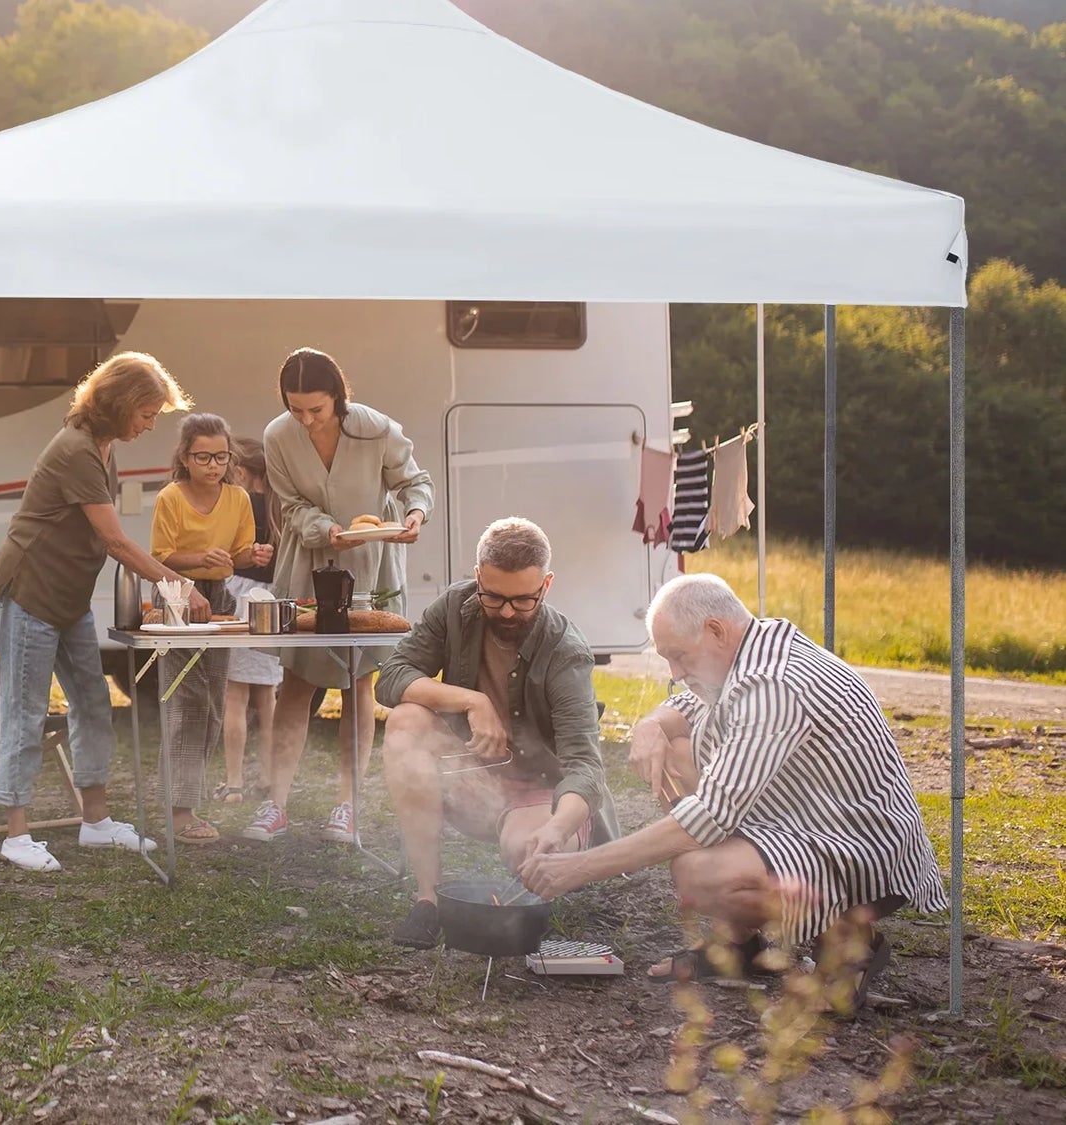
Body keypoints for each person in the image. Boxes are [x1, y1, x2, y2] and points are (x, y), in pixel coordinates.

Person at [518, 573, 947, 1011]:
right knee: (677, 750)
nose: (676, 672)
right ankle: (740, 946)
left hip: (858, 855)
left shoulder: (773, 686)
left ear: (716, 630)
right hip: (809, 821)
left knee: (699, 872)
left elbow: (707, 819)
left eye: (679, 656)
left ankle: (849, 945)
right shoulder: (748, 649)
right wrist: (650, 726)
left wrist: (579, 867)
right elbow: (687, 705)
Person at [0, 352, 208, 872]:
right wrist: (179, 583)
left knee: (93, 705)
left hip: (69, 598)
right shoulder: (76, 450)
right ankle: (15, 836)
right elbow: (113, 540)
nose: (151, 424)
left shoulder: (102, 447)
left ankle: (96, 824)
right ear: (120, 403)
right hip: (31, 592)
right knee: (26, 713)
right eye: (147, 412)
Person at [375, 517, 620, 947]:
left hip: (538, 794)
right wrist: (473, 701)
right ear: (477, 578)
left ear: (546, 585)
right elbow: (391, 677)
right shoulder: (456, 606)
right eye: (495, 597)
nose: (507, 612)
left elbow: (585, 767)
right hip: (470, 782)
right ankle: (427, 900)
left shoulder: (566, 652)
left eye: (523, 600)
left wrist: (558, 828)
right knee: (406, 720)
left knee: (527, 849)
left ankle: (548, 854)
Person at [241, 348, 433, 844]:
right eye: (295, 408)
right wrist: (327, 530)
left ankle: (347, 805)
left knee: (359, 683)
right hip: (307, 565)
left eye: (316, 410)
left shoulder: (377, 429)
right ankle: (276, 804)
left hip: (372, 565)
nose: (305, 420)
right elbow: (291, 504)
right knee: (297, 683)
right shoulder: (277, 435)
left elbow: (415, 482)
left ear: (338, 399)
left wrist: (414, 515)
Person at [149, 414, 272, 843]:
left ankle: (184, 800)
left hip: (218, 597)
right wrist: (202, 558)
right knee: (187, 701)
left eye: (221, 457)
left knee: (215, 704)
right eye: (203, 457)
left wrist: (251, 556)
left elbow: (235, 557)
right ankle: (179, 810)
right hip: (178, 597)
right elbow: (161, 557)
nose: (213, 465)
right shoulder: (171, 497)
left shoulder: (238, 497)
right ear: (185, 457)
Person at [217, 436, 282, 804]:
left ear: (240, 471)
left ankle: (235, 782)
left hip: (242, 599)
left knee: (235, 697)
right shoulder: (279, 507)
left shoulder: (238, 504)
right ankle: (269, 778)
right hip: (273, 602)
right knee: (268, 698)